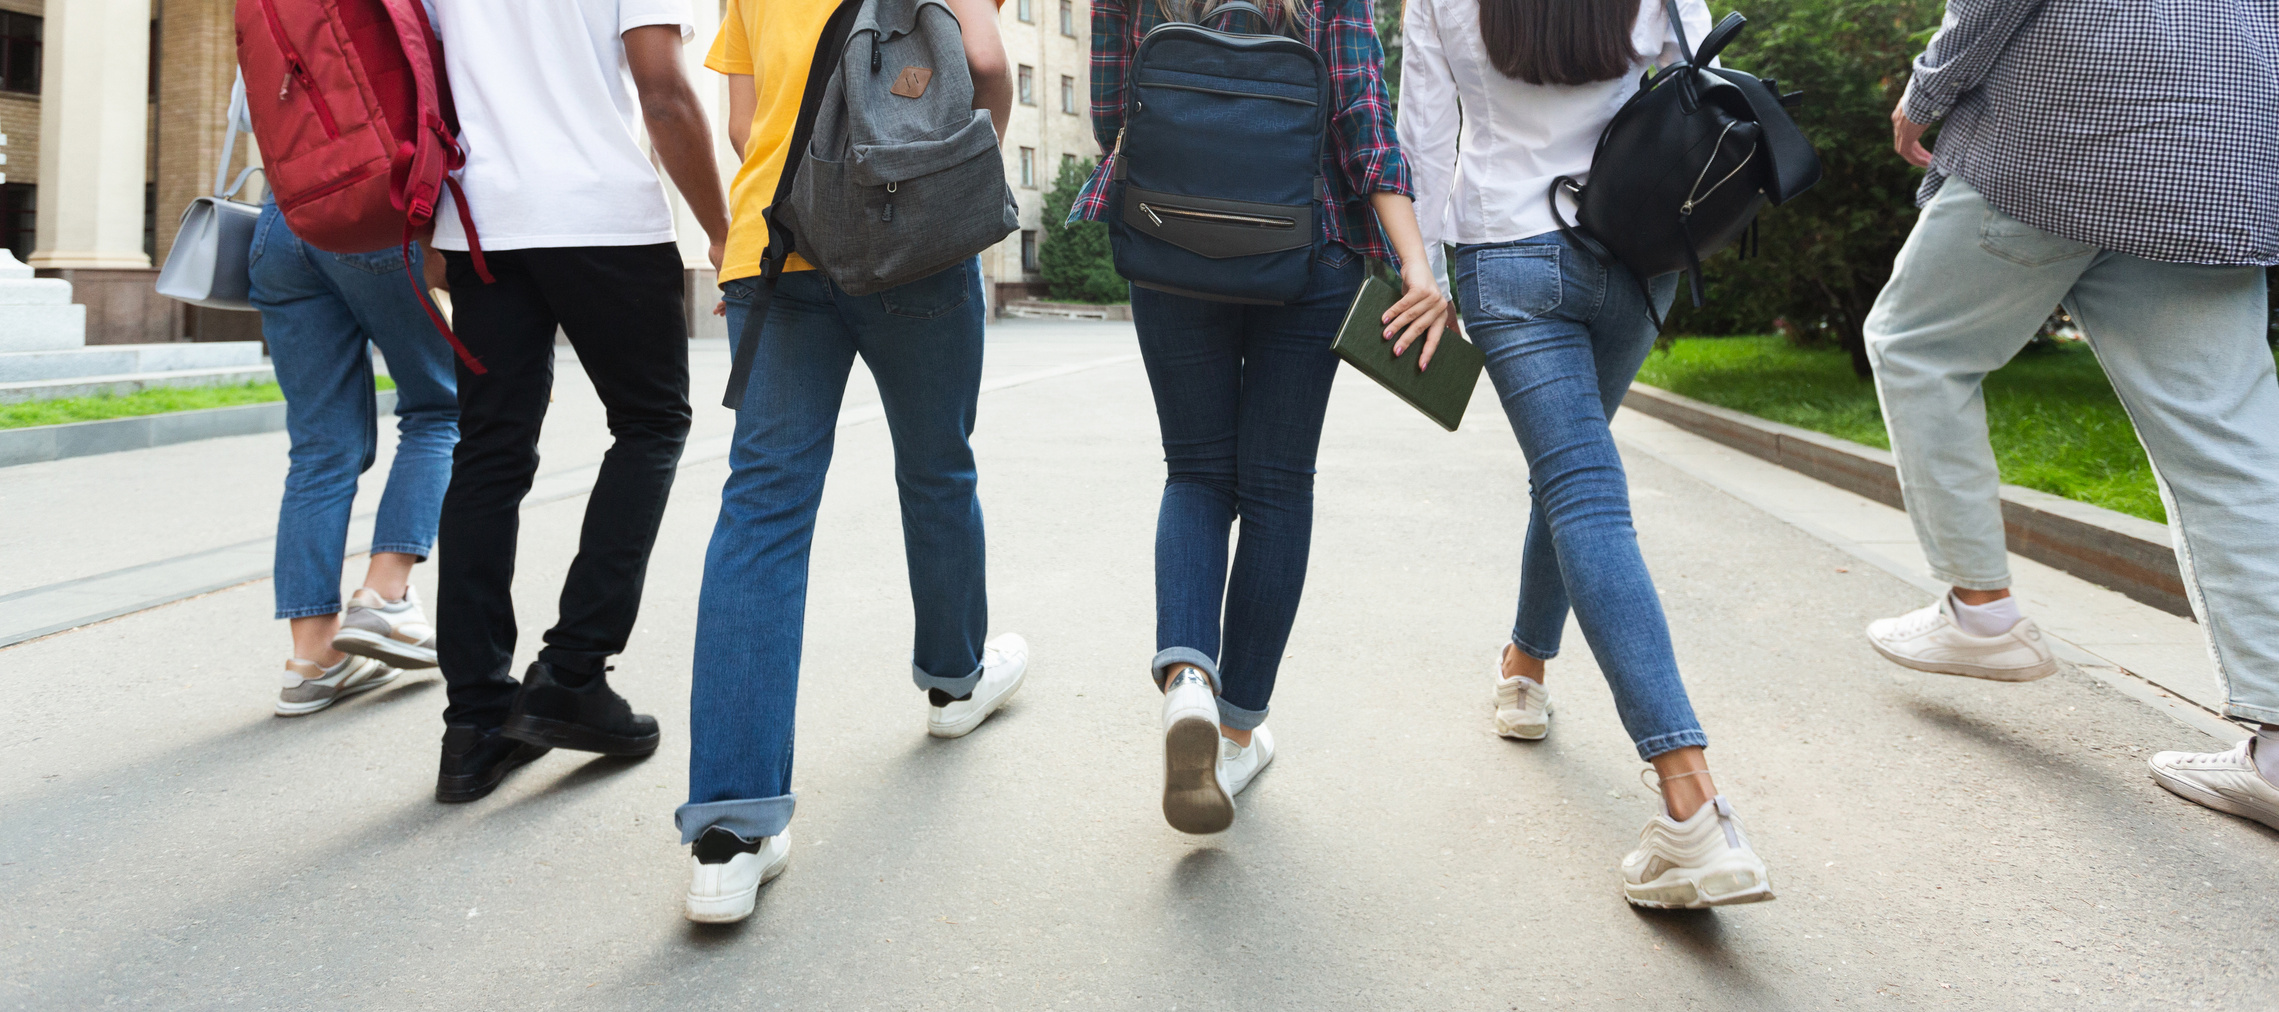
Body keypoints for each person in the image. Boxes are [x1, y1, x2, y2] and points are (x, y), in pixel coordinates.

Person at [1859, 0, 2279, 830]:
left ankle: (1980, 612)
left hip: (2066, 129)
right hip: (2221, 153)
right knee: (2225, 440)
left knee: (1917, 347)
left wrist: (1925, 90)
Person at [1401, 0, 1776, 907]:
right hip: (1635, 241)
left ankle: (1693, 807)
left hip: (1506, 253)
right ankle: (1524, 668)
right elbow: (1696, 62)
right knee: (1574, 479)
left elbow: (1424, 134)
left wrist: (1428, 273)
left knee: (1579, 490)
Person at [674, 0, 1021, 923]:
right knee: (938, 469)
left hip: (777, 237)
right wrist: (950, 172)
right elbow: (986, 65)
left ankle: (729, 831)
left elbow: (745, 124)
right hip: (912, 235)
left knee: (762, 512)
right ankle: (953, 680)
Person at [1073, 0, 1446, 836]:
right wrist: (1416, 263)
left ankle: (1187, 681)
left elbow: (1111, 114)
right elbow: (1361, 119)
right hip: (1307, 245)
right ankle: (1237, 731)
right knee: (1277, 488)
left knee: (1195, 473)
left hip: (1169, 239)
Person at [425, 0, 732, 803]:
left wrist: (426, 228)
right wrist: (721, 229)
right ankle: (571, 673)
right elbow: (663, 91)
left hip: (480, 223)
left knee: (488, 455)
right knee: (651, 424)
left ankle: (474, 726)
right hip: (601, 218)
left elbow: (417, 79)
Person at [240, 74, 458, 718]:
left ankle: (312, 659)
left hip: (282, 223)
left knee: (320, 447)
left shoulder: (268, 22)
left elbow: (251, 117)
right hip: (375, 211)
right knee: (441, 408)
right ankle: (384, 596)